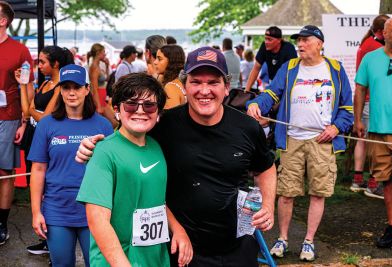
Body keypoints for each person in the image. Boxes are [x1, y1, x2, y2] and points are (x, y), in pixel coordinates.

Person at [76, 46, 277, 267]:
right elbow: (126, 139)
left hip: (238, 246)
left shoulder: (247, 127)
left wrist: (267, 205)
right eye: (196, 82)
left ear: (226, 87)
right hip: (184, 252)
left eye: (213, 82)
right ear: (185, 86)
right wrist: (91, 146)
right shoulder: (163, 126)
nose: (204, 90)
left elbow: (265, 168)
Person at [247, 25, 353, 261]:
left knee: (318, 193)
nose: (300, 44)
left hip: (323, 142)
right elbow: (271, 94)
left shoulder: (335, 69)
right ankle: (282, 239)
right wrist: (256, 104)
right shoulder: (290, 67)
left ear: (320, 43)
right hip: (292, 139)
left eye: (305, 40)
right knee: (286, 193)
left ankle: (309, 241)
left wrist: (336, 128)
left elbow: (347, 108)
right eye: (299, 41)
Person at [76, 73, 192, 267]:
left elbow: (155, 200)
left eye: (149, 105)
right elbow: (97, 219)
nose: (140, 111)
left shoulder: (156, 147)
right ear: (117, 110)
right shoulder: (104, 152)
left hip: (155, 258)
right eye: (131, 104)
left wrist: (178, 229)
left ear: (158, 113)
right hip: (118, 261)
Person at [28, 64, 114, 266]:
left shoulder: (103, 125)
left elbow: (112, 170)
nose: (71, 93)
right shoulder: (46, 125)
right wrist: (35, 212)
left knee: (97, 264)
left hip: (94, 208)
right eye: (66, 87)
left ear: (86, 89)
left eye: (76, 87)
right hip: (57, 209)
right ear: (60, 90)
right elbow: (38, 170)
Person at [16, 46, 74, 255]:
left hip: (50, 140)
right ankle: (46, 237)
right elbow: (27, 110)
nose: (38, 66)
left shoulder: (61, 87)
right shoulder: (46, 83)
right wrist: (24, 86)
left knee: (47, 188)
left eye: (42, 62)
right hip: (35, 137)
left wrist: (33, 111)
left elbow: (45, 119)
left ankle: (53, 239)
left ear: (55, 63)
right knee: (36, 187)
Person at [354, 17, 392, 248]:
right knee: (388, 181)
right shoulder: (370, 58)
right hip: (378, 131)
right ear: (384, 33)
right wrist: (357, 119)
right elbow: (360, 88)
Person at [0, 0, 35, 245]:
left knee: (4, 171)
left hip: (8, 117)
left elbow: (28, 87)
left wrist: (24, 122)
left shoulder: (20, 50)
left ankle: (1, 224)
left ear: (3, 21)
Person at [350, 14, 389, 199]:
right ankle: (373, 184)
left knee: (363, 139)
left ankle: (358, 179)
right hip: (371, 99)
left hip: (366, 98)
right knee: (375, 141)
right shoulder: (376, 48)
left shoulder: (366, 44)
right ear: (382, 32)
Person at [244, 26, 297, 92]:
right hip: (271, 82)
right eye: (265, 39)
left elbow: (293, 73)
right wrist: (246, 90)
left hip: (287, 83)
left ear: (279, 40)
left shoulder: (289, 48)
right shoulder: (264, 46)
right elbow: (256, 69)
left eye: (270, 39)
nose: (266, 42)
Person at [87, 43, 117, 127]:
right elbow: (94, 88)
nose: (105, 54)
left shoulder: (97, 66)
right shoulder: (95, 67)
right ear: (98, 53)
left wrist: (107, 65)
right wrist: (98, 106)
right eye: (104, 52)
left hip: (102, 97)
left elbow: (107, 79)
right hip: (99, 97)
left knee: (113, 123)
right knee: (113, 123)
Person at [154, 44, 186, 109]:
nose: (155, 62)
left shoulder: (170, 87)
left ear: (171, 61)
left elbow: (171, 117)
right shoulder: (183, 83)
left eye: (159, 59)